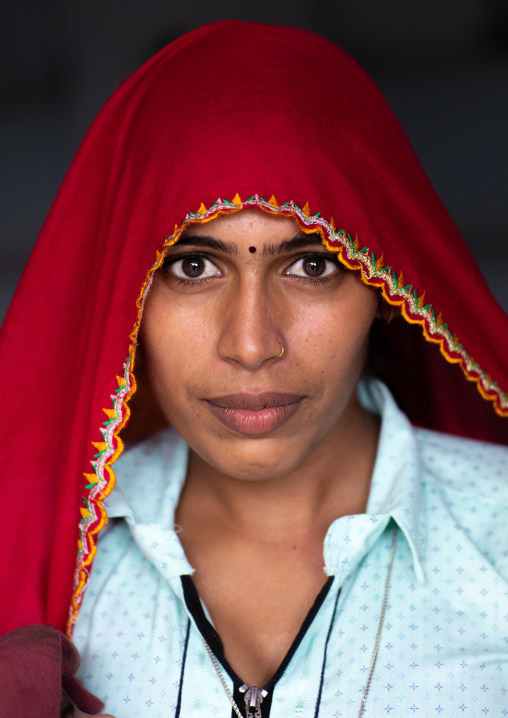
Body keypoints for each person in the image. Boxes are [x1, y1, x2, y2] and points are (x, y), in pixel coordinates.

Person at [0, 19, 507, 718]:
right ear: (128, 296)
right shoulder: (39, 561)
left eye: (311, 265)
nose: (250, 343)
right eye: (193, 266)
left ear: (387, 286)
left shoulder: (497, 535)